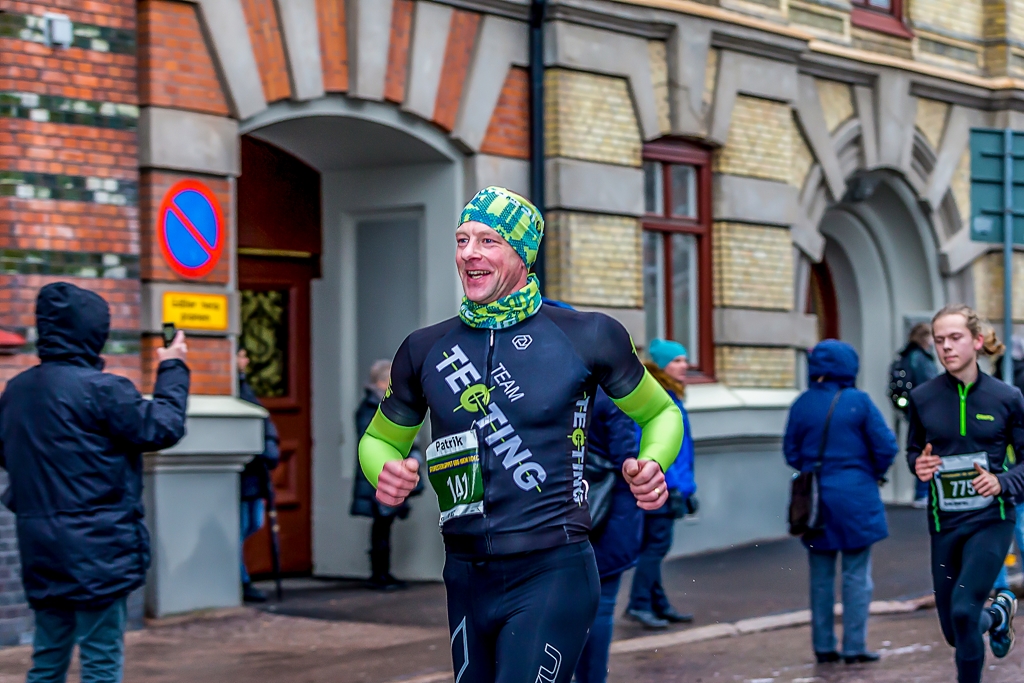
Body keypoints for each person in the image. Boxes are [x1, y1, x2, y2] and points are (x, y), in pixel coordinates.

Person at [358, 186, 683, 683]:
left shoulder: (588, 335)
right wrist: (383, 469)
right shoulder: (425, 349)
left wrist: (653, 462)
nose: (469, 253)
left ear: (522, 253)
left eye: (488, 241)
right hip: (465, 572)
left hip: (553, 568)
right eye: (462, 240)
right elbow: (379, 440)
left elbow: (661, 413)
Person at [0, 282, 190, 683]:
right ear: (93, 332)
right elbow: (164, 427)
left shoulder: (17, 392)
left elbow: (8, 454)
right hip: (100, 548)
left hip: (40, 544)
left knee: (47, 658)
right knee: (100, 659)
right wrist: (173, 366)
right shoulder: (103, 390)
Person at [908, 304, 1024, 683]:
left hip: (992, 518)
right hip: (945, 523)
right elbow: (914, 451)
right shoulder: (923, 398)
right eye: (939, 340)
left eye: (955, 338)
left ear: (976, 341)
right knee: (954, 632)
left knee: (964, 612)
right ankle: (999, 613)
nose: (946, 347)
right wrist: (918, 465)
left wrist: (1002, 482)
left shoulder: (1007, 397)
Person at [784, 339, 898, 665]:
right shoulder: (858, 401)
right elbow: (886, 446)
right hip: (856, 495)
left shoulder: (802, 403)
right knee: (856, 574)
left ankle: (823, 645)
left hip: (815, 498)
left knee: (820, 577)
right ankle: (854, 645)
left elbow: (791, 453)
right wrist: (871, 472)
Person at [627, 339, 696, 629]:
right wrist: (674, 485)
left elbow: (682, 448)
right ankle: (639, 604)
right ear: (661, 365)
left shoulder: (669, 395)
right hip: (661, 485)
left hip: (671, 484)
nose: (684, 365)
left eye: (684, 359)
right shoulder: (655, 399)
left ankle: (658, 603)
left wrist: (687, 486)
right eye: (676, 360)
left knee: (655, 546)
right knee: (655, 547)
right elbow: (654, 447)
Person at [351, 359, 418, 590]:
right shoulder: (372, 409)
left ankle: (383, 573)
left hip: (385, 472)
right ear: (382, 382)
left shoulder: (380, 406)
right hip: (378, 475)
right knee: (381, 525)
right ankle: (379, 574)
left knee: (384, 525)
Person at [236, 348, 281, 603]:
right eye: (241, 355)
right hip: (245, 470)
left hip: (256, 469)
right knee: (241, 526)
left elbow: (263, 422)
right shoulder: (234, 389)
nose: (246, 360)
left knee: (254, 522)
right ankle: (241, 579)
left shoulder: (244, 388)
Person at [892, 323, 940, 507]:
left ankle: (921, 492)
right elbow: (929, 384)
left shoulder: (905, 356)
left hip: (913, 410)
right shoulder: (921, 359)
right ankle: (923, 492)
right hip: (927, 410)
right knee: (928, 449)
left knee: (920, 448)